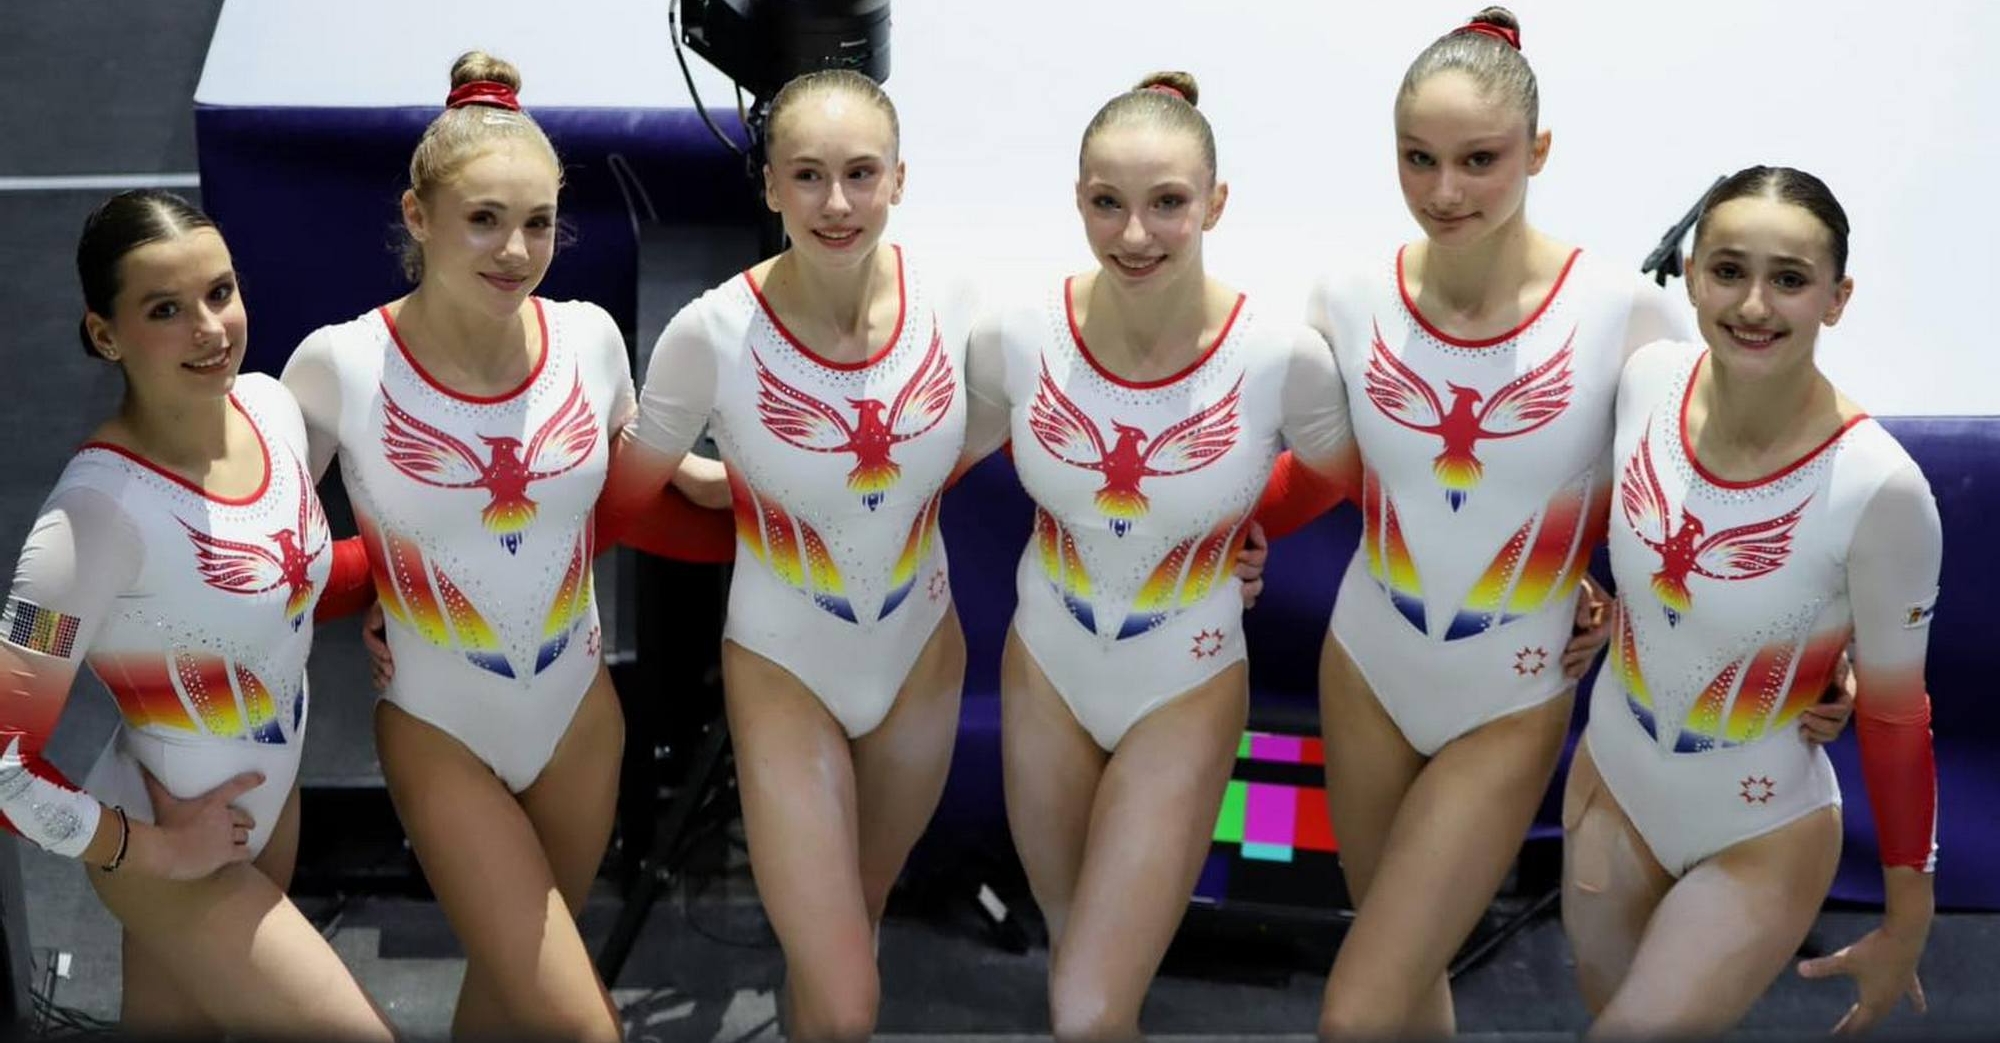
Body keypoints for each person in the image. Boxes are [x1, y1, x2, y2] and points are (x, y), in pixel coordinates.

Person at [1303, 9, 1850, 1038]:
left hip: (1511, 694)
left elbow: (1722, 489)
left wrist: (1827, 653)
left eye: (1479, 159)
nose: (1444, 190)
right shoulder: (1345, 298)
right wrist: (1241, 539)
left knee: (1355, 1014)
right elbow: (1316, 472)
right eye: (1418, 159)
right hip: (1363, 662)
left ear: (1538, 149)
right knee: (1404, 990)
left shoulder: (1619, 311)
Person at [283, 52, 727, 1040]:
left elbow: (616, 484)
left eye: (538, 222)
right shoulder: (340, 365)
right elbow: (266, 543)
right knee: (580, 1022)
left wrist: (710, 477)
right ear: (418, 215)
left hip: (580, 722)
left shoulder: (590, 338)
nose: (516, 250)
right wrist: (371, 581)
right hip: (440, 727)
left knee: (507, 999)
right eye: (483, 218)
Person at [960, 71, 1356, 1041]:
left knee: (1086, 1008)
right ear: (1077, 198)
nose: (1134, 234)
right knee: (1082, 973)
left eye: (1167, 203)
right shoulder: (1014, 336)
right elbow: (915, 467)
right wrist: (728, 485)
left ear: (1215, 202)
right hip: (1044, 671)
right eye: (1108, 202)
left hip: (1184, 684)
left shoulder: (1279, 356)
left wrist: (1245, 523)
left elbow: (1358, 480)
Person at [604, 68, 979, 1042]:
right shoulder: (710, 333)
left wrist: (1228, 539)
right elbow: (615, 504)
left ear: (900, 178)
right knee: (847, 995)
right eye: (807, 175)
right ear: (769, 185)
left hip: (919, 662)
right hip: (784, 672)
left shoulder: (960, 304)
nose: (836, 203)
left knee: (854, 929)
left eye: (860, 173)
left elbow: (1037, 448)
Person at [0, 190, 390, 1036]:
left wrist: (388, 589)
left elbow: (282, 584)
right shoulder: (87, 522)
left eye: (220, 292)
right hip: (169, 848)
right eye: (165, 309)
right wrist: (152, 852)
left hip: (262, 814)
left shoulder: (273, 409)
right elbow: (2, 761)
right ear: (106, 334)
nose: (210, 329)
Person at [1565, 165, 1939, 1036]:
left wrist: (1907, 917)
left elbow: (1896, 716)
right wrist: (1579, 589)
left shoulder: (1881, 487)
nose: (1755, 305)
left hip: (1760, 826)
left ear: (1838, 298)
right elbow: (1583, 512)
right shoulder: (1647, 377)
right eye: (1730, 270)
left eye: (1790, 279)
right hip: (1611, 779)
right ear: (1692, 274)